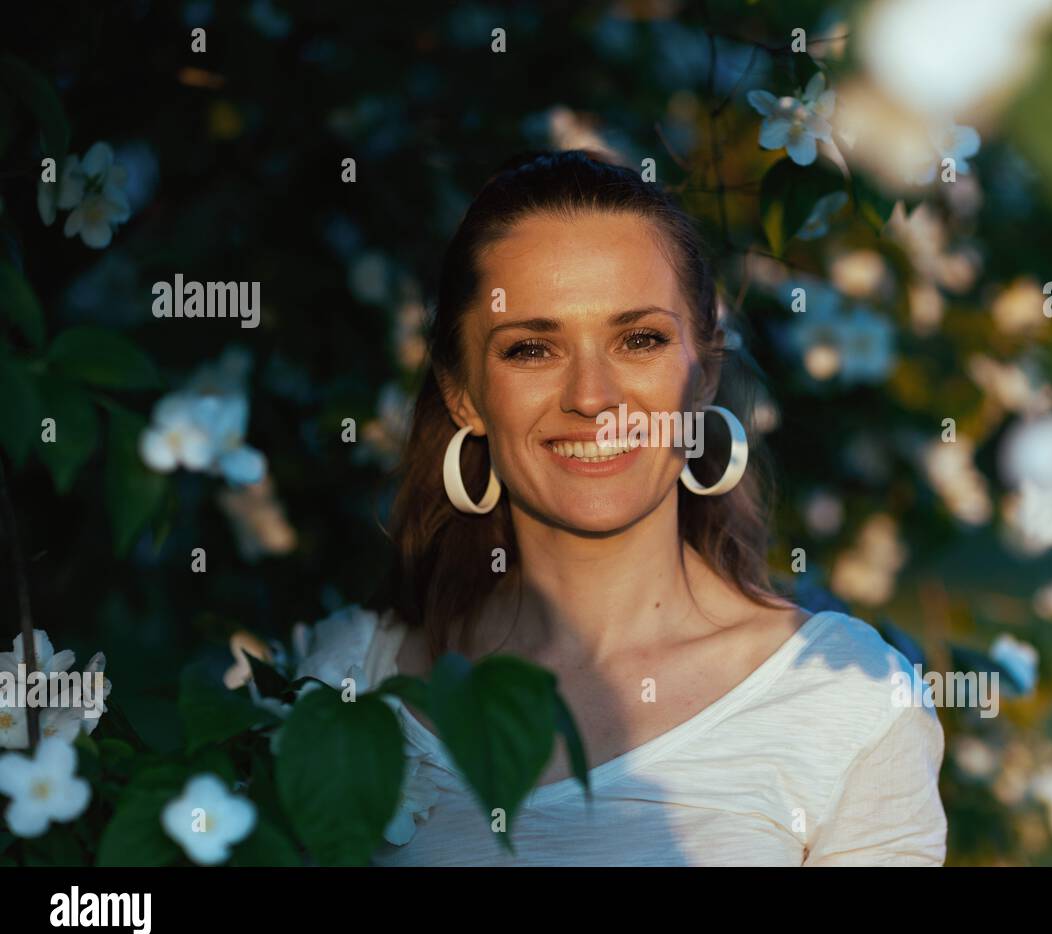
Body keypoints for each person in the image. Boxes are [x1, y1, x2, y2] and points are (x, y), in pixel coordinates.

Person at [298, 149, 946, 866]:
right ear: (463, 396)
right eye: (531, 349)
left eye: (639, 339)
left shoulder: (844, 700)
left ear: (705, 375)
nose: (593, 397)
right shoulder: (344, 678)